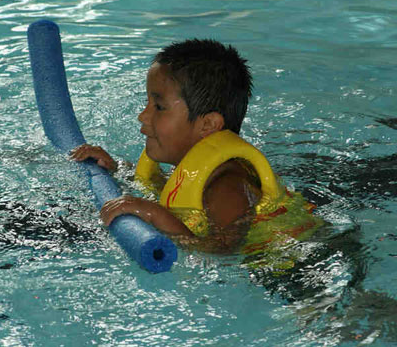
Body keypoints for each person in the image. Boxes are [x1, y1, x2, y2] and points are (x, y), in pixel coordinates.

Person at [70, 39, 322, 255]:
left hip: (297, 271)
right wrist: (116, 171)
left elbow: (222, 251)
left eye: (158, 107)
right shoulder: (202, 172)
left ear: (208, 125)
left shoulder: (227, 185)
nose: (142, 116)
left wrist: (154, 215)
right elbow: (171, 192)